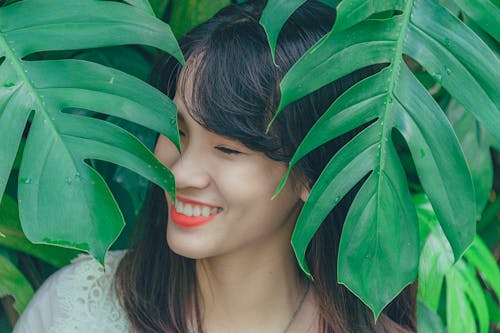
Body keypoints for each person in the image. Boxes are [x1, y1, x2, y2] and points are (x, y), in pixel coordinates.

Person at [13, 1, 416, 332]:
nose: (182, 173)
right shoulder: (74, 311)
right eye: (178, 131)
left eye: (228, 149)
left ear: (313, 175)